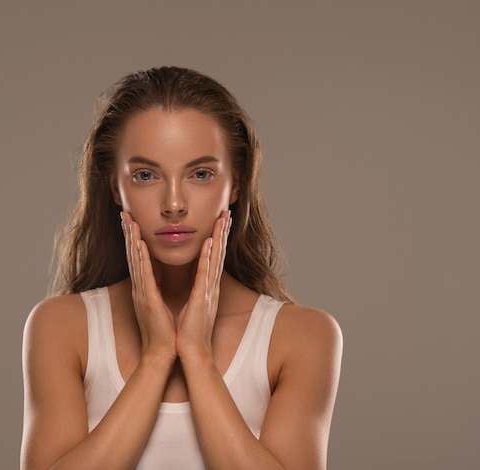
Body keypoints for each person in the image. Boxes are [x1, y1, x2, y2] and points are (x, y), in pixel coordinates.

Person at [20, 66, 343, 470]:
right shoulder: (60, 326)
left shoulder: (304, 337)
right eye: (145, 175)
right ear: (114, 186)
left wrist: (197, 356)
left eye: (201, 174)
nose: (174, 203)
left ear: (236, 183)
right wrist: (156, 356)